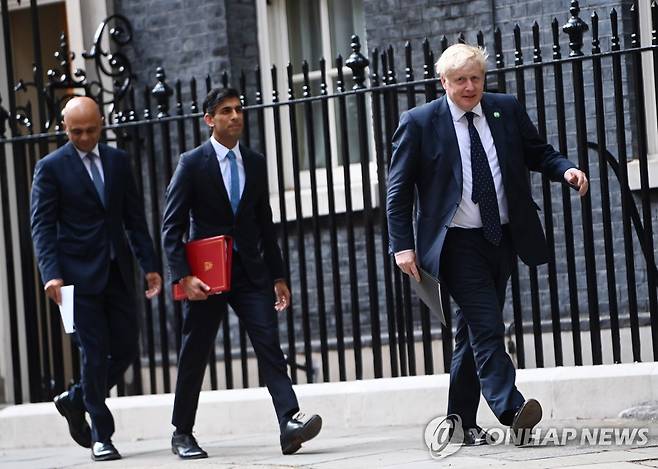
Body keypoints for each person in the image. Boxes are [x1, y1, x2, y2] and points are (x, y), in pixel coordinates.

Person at [386, 44, 589, 446]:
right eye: (460, 80)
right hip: (454, 243)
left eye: (475, 78)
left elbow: (538, 152)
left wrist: (565, 169)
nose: (469, 86)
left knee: (471, 332)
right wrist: (401, 245)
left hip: (500, 237)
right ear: (443, 82)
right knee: (487, 324)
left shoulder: (504, 108)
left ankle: (460, 425)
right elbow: (398, 189)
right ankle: (511, 408)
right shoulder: (420, 122)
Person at [162, 87, 322, 459]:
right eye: (225, 111)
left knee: (269, 345)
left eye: (238, 109)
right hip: (208, 277)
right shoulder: (192, 163)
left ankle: (289, 424)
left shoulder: (254, 161)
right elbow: (171, 227)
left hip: (250, 272)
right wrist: (183, 277)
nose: (235, 116)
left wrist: (278, 275)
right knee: (195, 351)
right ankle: (181, 432)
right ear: (209, 119)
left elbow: (264, 222)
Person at [30, 96, 162, 461]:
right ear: (64, 127)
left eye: (90, 130)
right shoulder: (51, 167)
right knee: (93, 351)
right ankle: (101, 435)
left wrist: (149, 265)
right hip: (74, 277)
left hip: (117, 270)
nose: (84, 138)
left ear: (101, 124)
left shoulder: (118, 161)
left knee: (125, 348)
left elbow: (133, 217)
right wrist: (51, 274)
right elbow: (41, 225)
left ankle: (76, 399)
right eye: (76, 132)